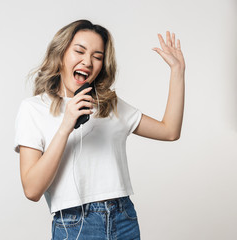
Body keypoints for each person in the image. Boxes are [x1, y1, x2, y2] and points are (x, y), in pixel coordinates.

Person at [14, 19, 185, 240]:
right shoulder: (33, 109)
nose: (88, 62)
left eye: (97, 56)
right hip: (75, 225)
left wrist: (177, 71)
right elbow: (32, 190)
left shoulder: (108, 104)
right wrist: (66, 125)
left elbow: (170, 131)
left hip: (124, 219)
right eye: (79, 51)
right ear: (61, 54)